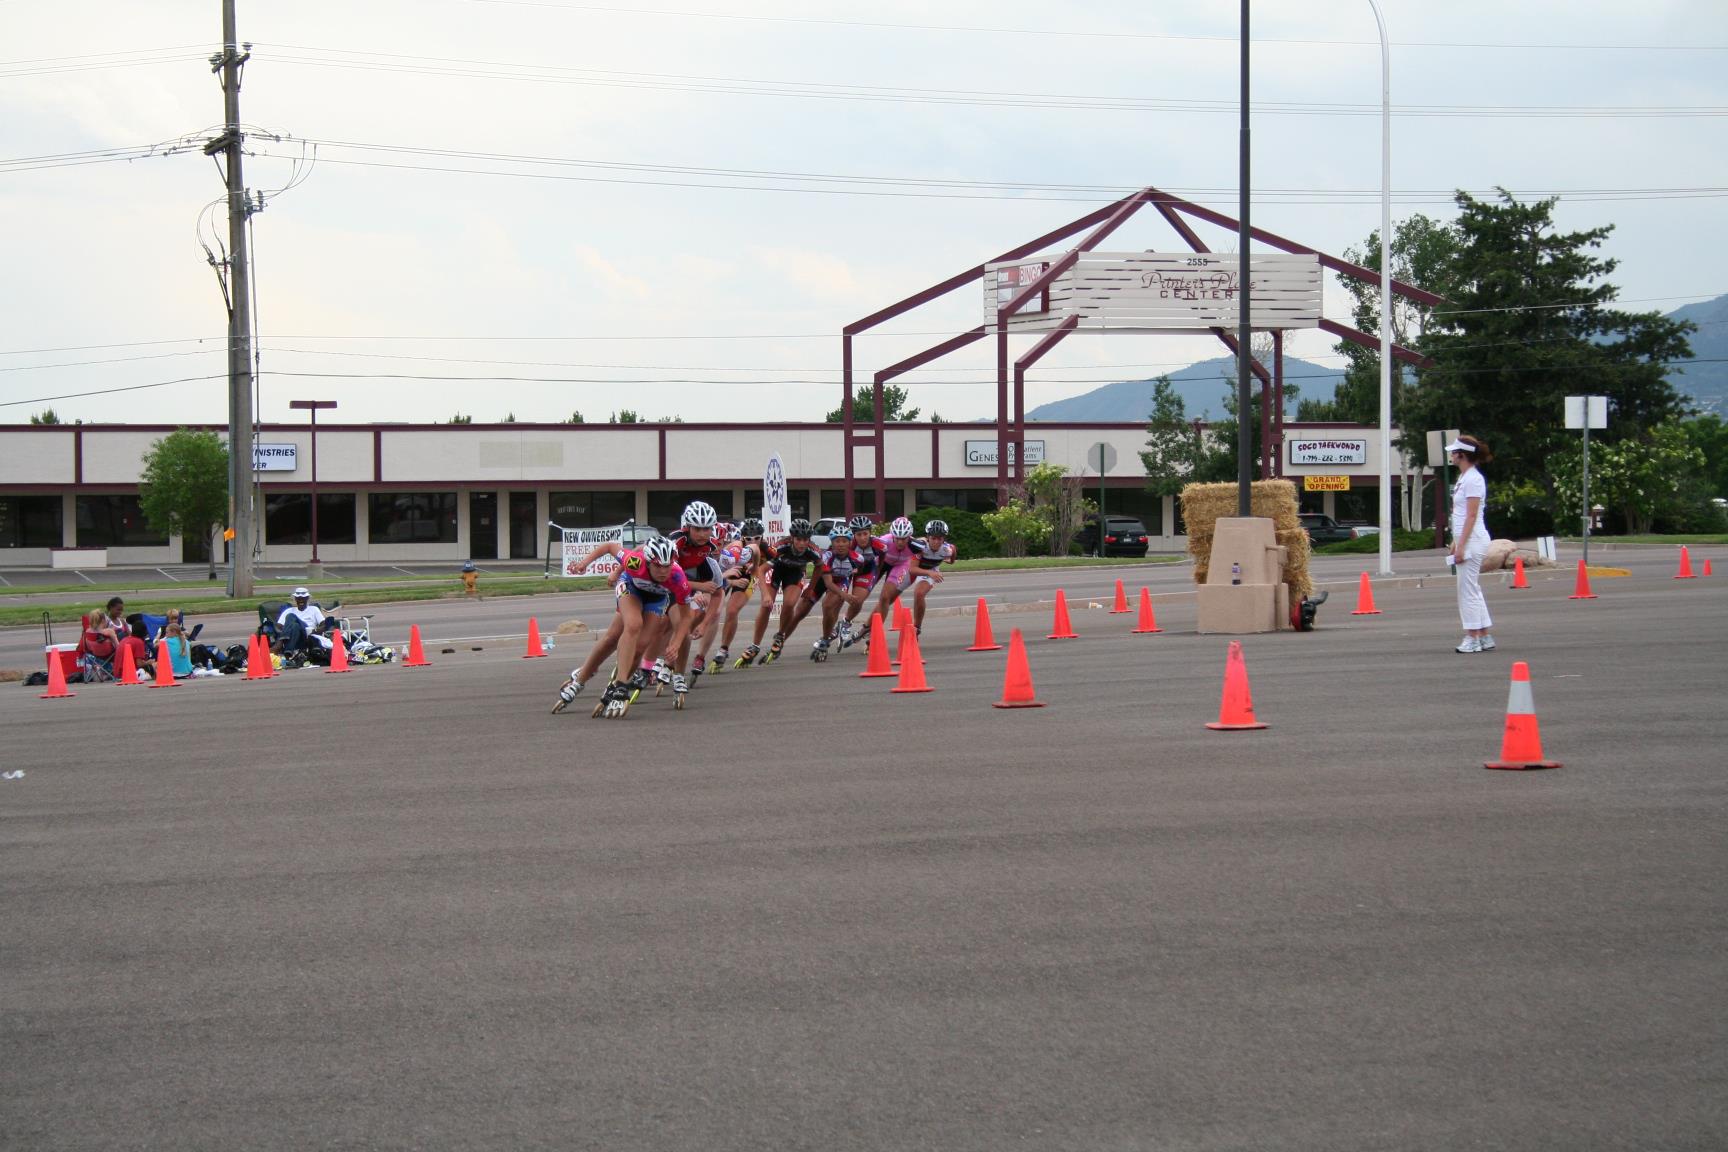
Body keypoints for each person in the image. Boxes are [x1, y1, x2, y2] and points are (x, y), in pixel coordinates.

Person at [552, 534, 693, 716]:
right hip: (630, 587)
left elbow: (686, 617)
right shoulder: (635, 561)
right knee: (631, 626)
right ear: (648, 562)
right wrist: (584, 563)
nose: (663, 571)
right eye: (658, 565)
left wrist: (676, 643)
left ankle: (620, 683)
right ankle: (580, 682)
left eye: (666, 566)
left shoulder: (677, 577)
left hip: (656, 598)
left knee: (642, 644)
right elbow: (610, 546)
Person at [741, 518, 822, 665]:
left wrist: (811, 588)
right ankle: (755, 644)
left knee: (790, 604)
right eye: (798, 539)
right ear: (792, 538)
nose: (802, 543)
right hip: (776, 571)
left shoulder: (813, 550)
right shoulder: (780, 548)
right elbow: (761, 570)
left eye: (805, 539)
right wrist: (765, 594)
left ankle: (780, 635)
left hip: (795, 574)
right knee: (766, 606)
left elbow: (819, 567)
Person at [699, 518, 770, 674]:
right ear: (742, 537)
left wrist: (765, 593)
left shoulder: (766, 549)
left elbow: (760, 569)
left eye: (758, 538)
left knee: (731, 610)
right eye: (749, 539)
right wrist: (731, 582)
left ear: (762, 537)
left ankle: (723, 649)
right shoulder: (734, 547)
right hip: (727, 573)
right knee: (710, 610)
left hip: (747, 576)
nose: (754, 541)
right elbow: (718, 573)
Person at [1447, 436, 1496, 653]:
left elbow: (1471, 515)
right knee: (1472, 588)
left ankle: (1472, 637)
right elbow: (1460, 515)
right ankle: (1484, 636)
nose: (1451, 455)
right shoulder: (1465, 478)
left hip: (1473, 541)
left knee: (1466, 590)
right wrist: (1456, 541)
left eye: (1454, 452)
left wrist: (1462, 546)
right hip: (1468, 539)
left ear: (1462, 454)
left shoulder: (1473, 479)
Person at [905, 519, 957, 635]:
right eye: (933, 538)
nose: (936, 542)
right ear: (928, 537)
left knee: (919, 594)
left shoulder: (948, 549)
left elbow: (953, 554)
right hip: (912, 568)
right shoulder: (921, 547)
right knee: (889, 596)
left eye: (940, 538)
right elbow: (912, 570)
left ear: (944, 539)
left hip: (929, 571)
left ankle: (916, 628)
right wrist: (930, 573)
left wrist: (949, 561)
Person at [871, 516, 919, 632]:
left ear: (909, 537)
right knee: (863, 592)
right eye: (897, 538)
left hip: (900, 566)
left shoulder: (916, 545)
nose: (900, 542)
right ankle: (848, 621)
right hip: (883, 563)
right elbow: (868, 546)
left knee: (885, 598)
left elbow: (933, 549)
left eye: (904, 539)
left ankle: (874, 631)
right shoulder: (885, 540)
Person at [276, 587, 332, 660]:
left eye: (303, 598)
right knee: (295, 625)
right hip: (293, 635)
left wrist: (315, 630)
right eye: (298, 598)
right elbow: (278, 626)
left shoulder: (314, 609)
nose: (301, 600)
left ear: (307, 598)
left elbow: (323, 624)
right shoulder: (289, 610)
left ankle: (282, 642)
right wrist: (288, 630)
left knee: (291, 616)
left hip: (307, 635)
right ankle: (288, 651)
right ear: (295, 599)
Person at [162, 608, 194, 679]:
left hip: (173, 674)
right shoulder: (162, 629)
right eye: (171, 619)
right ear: (168, 620)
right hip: (187, 673)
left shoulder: (180, 629)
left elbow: (188, 634)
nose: (173, 620)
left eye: (175, 618)